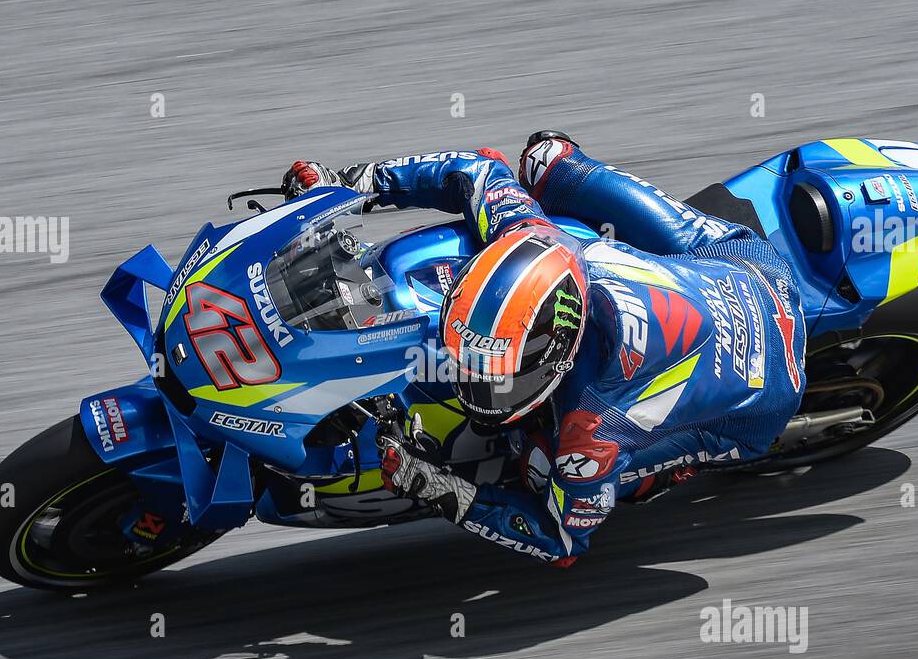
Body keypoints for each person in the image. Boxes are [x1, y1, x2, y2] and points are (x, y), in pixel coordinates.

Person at [283, 133, 806, 565]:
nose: (473, 384)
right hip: (741, 266)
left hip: (764, 393)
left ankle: (658, 474)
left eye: (493, 376)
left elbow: (559, 541)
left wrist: (439, 487)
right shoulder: (533, 238)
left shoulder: (590, 430)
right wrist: (350, 185)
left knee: (535, 464)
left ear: (550, 362)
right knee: (546, 160)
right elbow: (475, 169)